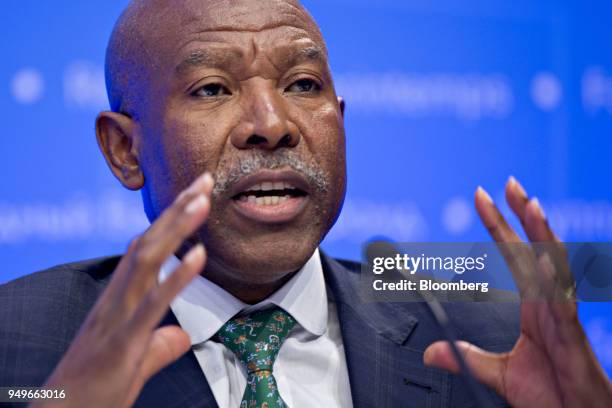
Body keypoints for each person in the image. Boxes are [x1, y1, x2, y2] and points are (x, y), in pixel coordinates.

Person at [0, 0, 610, 407]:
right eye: (212, 88)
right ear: (125, 150)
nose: (273, 124)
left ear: (339, 122)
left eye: (303, 85)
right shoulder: (19, 346)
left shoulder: (482, 337)